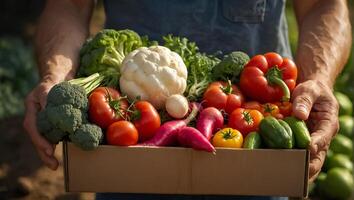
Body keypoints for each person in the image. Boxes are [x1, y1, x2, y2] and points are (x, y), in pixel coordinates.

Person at [24, 0, 351, 199]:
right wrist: (57, 75)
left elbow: (323, 3)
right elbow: (68, 3)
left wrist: (318, 79)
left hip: (257, 157)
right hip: (130, 158)